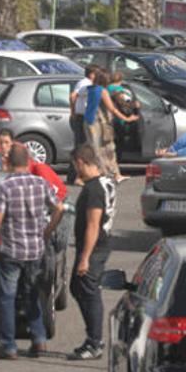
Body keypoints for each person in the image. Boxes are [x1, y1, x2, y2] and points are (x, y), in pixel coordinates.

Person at [0, 145, 64, 359]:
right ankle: (39, 339)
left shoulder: (5, 187)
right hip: (35, 249)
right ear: (28, 162)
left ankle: (8, 345)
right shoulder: (40, 183)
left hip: (11, 249)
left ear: (8, 163)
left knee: (6, 297)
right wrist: (47, 231)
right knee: (32, 294)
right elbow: (59, 208)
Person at [68, 144, 117, 360]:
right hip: (97, 246)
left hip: (94, 248)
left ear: (81, 162)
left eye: (75, 165)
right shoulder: (104, 182)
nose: (74, 170)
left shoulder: (94, 190)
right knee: (77, 287)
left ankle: (94, 342)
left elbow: (93, 225)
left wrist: (85, 258)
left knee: (88, 290)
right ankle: (94, 336)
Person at [84, 69, 137, 182]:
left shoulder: (91, 89)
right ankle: (108, 175)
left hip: (89, 121)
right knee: (104, 149)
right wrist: (127, 118)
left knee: (100, 149)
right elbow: (112, 108)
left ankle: (112, 174)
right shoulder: (102, 91)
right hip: (98, 122)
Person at [68, 64, 98, 184]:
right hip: (82, 118)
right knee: (82, 148)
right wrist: (73, 111)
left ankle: (75, 176)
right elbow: (73, 96)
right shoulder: (87, 84)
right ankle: (78, 177)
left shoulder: (81, 82)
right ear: (92, 74)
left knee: (80, 147)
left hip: (80, 116)